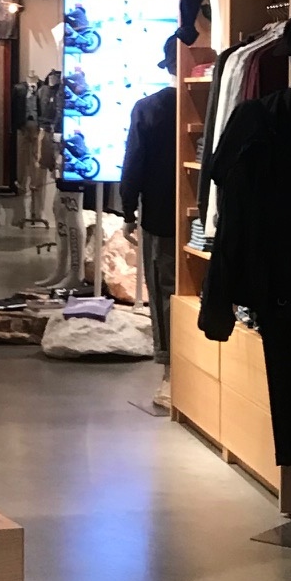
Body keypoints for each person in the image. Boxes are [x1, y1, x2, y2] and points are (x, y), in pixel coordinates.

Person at [121, 34, 178, 365]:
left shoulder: (148, 108)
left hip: (159, 213)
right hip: (206, 216)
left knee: (162, 285)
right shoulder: (209, 102)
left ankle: (168, 354)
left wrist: (128, 211)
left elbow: (134, 162)